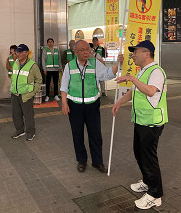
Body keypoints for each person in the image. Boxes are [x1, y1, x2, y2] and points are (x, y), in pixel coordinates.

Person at [112, 40, 167, 210]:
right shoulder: (144, 71)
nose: (133, 55)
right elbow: (134, 91)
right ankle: (147, 182)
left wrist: (131, 78)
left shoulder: (156, 71)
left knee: (149, 158)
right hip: (141, 120)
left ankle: (155, 194)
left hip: (152, 122)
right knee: (139, 153)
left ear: (146, 53)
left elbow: (150, 91)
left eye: (135, 52)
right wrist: (120, 102)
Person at [61, 40, 123, 173]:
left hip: (92, 106)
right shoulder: (69, 66)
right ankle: (81, 161)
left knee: (95, 135)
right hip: (74, 106)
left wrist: (118, 63)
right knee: (77, 135)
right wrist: (64, 103)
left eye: (87, 49)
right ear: (75, 51)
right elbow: (64, 86)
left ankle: (97, 162)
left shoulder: (95, 63)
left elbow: (108, 74)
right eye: (82, 50)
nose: (86, 52)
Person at [11, 44, 42, 141]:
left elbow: (39, 79)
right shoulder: (16, 62)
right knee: (16, 114)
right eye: (17, 52)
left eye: (20, 52)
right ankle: (19, 130)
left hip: (26, 95)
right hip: (15, 93)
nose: (18, 54)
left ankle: (31, 132)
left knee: (28, 115)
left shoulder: (33, 65)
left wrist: (33, 92)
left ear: (26, 53)